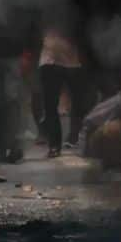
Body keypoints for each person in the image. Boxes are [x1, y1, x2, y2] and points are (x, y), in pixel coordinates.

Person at [38, 24, 90, 158]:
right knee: (50, 106)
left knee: (80, 103)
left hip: (72, 60)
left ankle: (78, 138)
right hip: (49, 58)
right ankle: (55, 145)